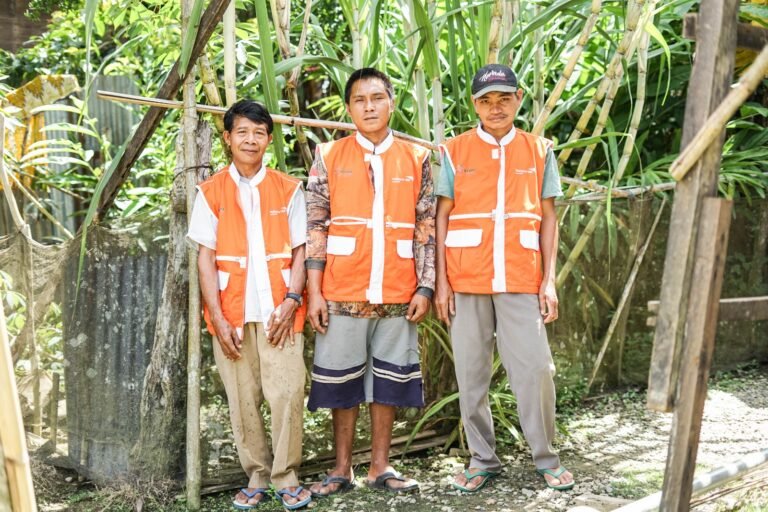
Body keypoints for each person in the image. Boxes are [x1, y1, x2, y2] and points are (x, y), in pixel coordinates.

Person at [434, 64, 574, 493]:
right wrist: (441, 282)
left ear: (518, 100)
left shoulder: (539, 149)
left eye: (504, 98)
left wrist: (548, 280)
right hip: (466, 279)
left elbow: (548, 217)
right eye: (485, 100)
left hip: (520, 278)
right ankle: (482, 459)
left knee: (536, 369)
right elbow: (440, 217)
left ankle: (545, 457)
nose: (495, 108)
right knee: (471, 373)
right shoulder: (453, 151)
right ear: (474, 105)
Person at [304, 68, 435, 497]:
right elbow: (316, 225)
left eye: (377, 98)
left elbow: (426, 228)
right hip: (342, 290)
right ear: (348, 108)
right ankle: (341, 469)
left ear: (392, 102)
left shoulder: (417, 157)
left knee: (389, 381)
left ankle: (381, 466)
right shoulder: (328, 155)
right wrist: (315, 291)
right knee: (341, 381)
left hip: (399, 289)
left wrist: (426, 286)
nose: (369, 107)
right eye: (360, 100)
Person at [187, 100, 312, 510]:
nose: (250, 140)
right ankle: (257, 474)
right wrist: (218, 318)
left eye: (259, 132)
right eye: (242, 132)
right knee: (242, 398)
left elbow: (300, 251)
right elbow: (205, 257)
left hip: (280, 312)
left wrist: (293, 300)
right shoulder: (209, 192)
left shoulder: (289, 188)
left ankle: (286, 475)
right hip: (233, 314)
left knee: (289, 393)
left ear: (269, 140)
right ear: (227, 139)